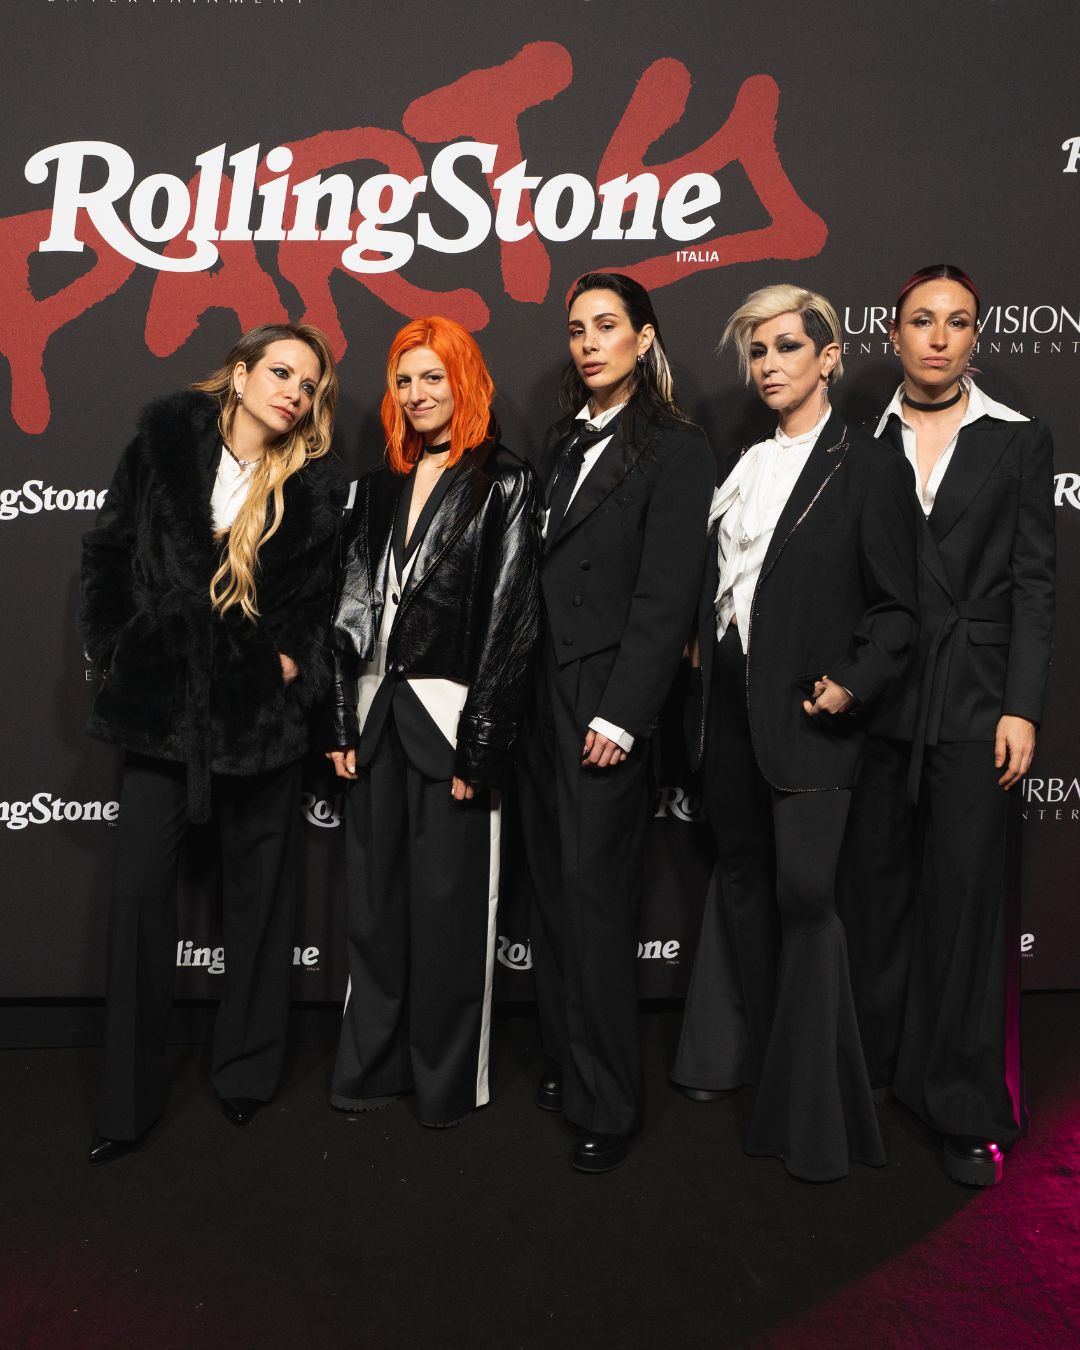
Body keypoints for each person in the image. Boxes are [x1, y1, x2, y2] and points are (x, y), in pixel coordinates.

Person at [671, 284, 919, 1182]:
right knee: (743, 883)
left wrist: (852, 681)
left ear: (829, 357)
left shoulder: (868, 464)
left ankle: (818, 1114)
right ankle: (761, 1068)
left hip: (812, 721)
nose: (770, 365)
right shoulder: (741, 464)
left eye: (787, 347)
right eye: (759, 351)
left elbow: (899, 608)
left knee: (807, 895)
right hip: (728, 717)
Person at [81, 323, 345, 1164]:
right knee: (135, 902)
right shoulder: (162, 445)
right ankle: (124, 1106)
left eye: (308, 385)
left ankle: (246, 1075)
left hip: (259, 721)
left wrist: (290, 664)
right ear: (239, 373)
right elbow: (109, 551)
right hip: (162, 712)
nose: (294, 393)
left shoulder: (312, 486)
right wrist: (117, 647)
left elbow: (320, 603)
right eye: (281, 372)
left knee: (259, 906)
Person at [839, 264, 1055, 1186]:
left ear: (976, 337)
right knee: (875, 899)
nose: (938, 337)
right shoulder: (860, 440)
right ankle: (876, 1076)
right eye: (922, 320)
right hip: (880, 699)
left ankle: (964, 1105)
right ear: (893, 334)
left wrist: (1022, 705)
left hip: (975, 701)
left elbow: (1035, 584)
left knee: (964, 907)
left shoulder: (1018, 439)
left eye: (957, 322)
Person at [516, 272, 715, 1173]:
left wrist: (625, 715)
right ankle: (568, 1062)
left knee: (596, 903)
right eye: (577, 329)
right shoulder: (560, 441)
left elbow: (667, 598)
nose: (590, 342)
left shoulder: (676, 447)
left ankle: (610, 1101)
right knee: (555, 895)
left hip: (604, 700)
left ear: (645, 337)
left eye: (606, 325)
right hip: (538, 698)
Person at [326, 316, 540, 1129]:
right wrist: (340, 720)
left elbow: (510, 622)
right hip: (376, 718)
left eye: (432, 377)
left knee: (452, 918)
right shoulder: (375, 485)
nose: (417, 394)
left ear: (465, 381)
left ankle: (446, 1083)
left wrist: (481, 748)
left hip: (451, 725)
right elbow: (346, 612)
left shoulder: (506, 483)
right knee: (373, 914)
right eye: (404, 379)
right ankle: (371, 1067)